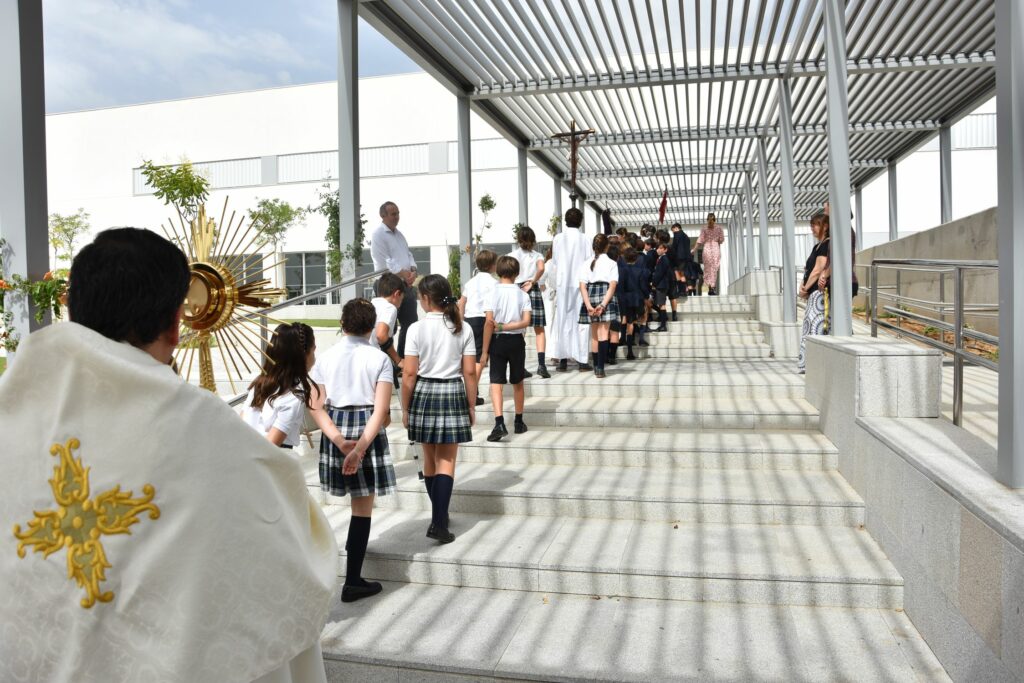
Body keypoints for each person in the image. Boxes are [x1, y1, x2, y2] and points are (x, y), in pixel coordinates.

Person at [0, 228, 336, 683]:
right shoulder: (203, 429)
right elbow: (278, 553)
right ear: (176, 323)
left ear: (74, 308)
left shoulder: (13, 410)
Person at [310, 298, 395, 603]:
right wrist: (358, 449)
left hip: (336, 424)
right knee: (362, 508)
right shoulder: (379, 359)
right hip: (365, 430)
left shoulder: (326, 358)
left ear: (342, 325)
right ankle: (354, 579)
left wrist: (338, 440)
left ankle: (350, 572)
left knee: (353, 506)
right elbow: (380, 410)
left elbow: (315, 405)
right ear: (372, 327)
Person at [402, 275, 477, 544]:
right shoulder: (462, 328)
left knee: (431, 460)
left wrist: (405, 408)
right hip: (452, 392)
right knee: (447, 461)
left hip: (423, 393)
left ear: (424, 299)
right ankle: (438, 521)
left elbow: (409, 374)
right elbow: (469, 371)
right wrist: (471, 404)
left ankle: (439, 517)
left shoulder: (415, 329)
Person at [480, 255, 532, 442]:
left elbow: (488, 324)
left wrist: (485, 351)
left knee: (496, 382)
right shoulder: (523, 295)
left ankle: (499, 422)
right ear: (517, 273)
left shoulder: (491, 294)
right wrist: (508, 326)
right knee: (517, 381)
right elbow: (526, 321)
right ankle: (519, 421)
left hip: (497, 341)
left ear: (497, 271)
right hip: (517, 341)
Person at [242, 322, 317, 449]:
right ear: (303, 355)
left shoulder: (259, 384)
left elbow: (241, 424)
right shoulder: (292, 397)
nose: (314, 357)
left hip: (244, 450)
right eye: (313, 350)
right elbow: (271, 447)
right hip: (269, 460)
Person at [370, 201, 419, 357]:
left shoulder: (399, 234)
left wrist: (413, 270)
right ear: (383, 216)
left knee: (410, 323)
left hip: (405, 285)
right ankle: (386, 359)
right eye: (393, 214)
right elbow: (385, 261)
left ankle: (404, 358)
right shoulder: (378, 235)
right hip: (387, 285)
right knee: (387, 325)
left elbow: (408, 254)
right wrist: (403, 273)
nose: (397, 217)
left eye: (398, 213)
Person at [551, 207, 594, 372]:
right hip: (580, 283)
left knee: (562, 320)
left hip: (563, 284)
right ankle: (582, 360)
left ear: (565, 221)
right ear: (580, 221)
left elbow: (555, 261)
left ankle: (562, 358)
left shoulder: (558, 238)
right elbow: (590, 262)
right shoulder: (585, 239)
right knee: (581, 321)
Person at [508, 226, 550, 378]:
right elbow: (541, 268)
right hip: (532, 287)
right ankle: (541, 365)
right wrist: (533, 281)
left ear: (518, 239)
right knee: (539, 329)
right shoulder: (537, 255)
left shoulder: (512, 255)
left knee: (520, 330)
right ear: (533, 240)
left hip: (517, 289)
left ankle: (520, 367)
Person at [458, 249, 498, 406]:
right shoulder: (494, 283)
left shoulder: (470, 282)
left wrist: (461, 321)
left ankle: (472, 391)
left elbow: (461, 303)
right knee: (481, 358)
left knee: (470, 356)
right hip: (484, 320)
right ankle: (471, 394)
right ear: (492, 266)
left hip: (469, 320)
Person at [577, 233, 619, 378]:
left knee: (594, 335)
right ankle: (600, 368)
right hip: (605, 296)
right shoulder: (612, 263)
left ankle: (596, 366)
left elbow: (582, 286)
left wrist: (588, 305)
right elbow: (612, 286)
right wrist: (603, 304)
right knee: (603, 334)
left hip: (590, 295)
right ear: (607, 246)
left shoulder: (585, 263)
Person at [797, 213, 831, 373]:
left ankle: (813, 365)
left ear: (824, 226)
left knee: (814, 327)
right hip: (812, 293)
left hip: (818, 293)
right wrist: (803, 286)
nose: (812, 228)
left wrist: (805, 287)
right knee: (809, 327)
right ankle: (809, 365)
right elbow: (809, 269)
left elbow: (818, 269)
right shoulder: (817, 246)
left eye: (815, 225)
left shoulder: (826, 245)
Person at [618, 246, 649, 361]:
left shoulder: (621, 270)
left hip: (626, 298)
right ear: (636, 258)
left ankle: (630, 350)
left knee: (629, 323)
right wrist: (647, 296)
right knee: (642, 317)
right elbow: (643, 286)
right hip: (638, 298)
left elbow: (620, 286)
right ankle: (641, 338)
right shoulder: (640, 270)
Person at [371, 272, 405, 370]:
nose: (400, 303)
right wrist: (397, 360)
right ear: (397, 294)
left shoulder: (371, 304)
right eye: (401, 299)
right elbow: (381, 335)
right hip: (375, 360)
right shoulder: (389, 308)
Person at [694, 212, 725, 295]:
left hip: (707, 248)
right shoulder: (719, 228)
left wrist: (694, 249)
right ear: (715, 220)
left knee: (707, 269)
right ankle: (712, 288)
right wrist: (716, 240)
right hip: (715, 249)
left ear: (707, 220)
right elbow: (721, 240)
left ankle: (708, 287)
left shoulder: (704, 229)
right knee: (714, 269)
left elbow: (700, 240)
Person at [650, 241, 674, 332]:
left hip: (661, 284)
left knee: (662, 304)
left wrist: (654, 283)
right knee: (660, 304)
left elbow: (659, 273)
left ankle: (663, 325)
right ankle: (663, 323)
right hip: (661, 284)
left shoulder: (664, 259)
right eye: (657, 248)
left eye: (660, 248)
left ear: (665, 250)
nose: (658, 250)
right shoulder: (661, 258)